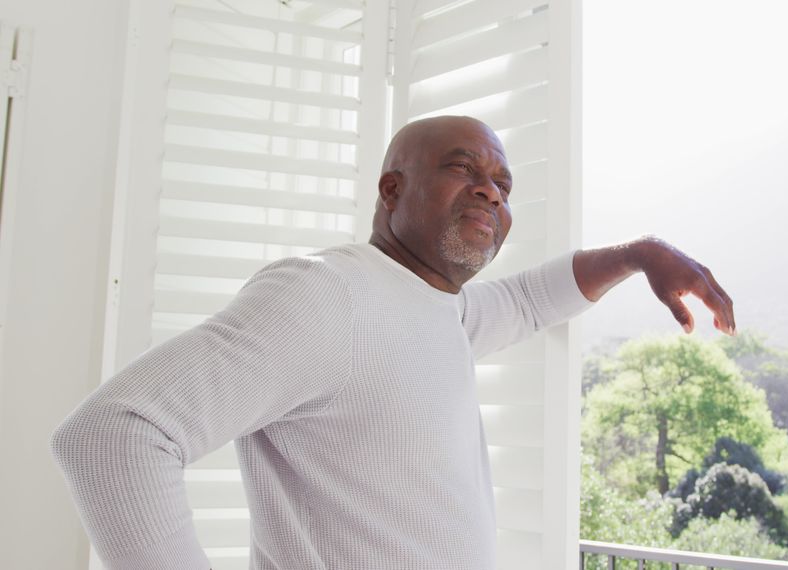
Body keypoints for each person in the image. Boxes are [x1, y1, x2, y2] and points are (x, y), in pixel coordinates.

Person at [51, 116, 736, 569]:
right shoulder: (328, 294)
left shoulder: (443, 311)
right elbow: (116, 431)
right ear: (391, 189)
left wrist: (643, 252)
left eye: (502, 184)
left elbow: (530, 300)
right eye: (464, 170)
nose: (490, 193)